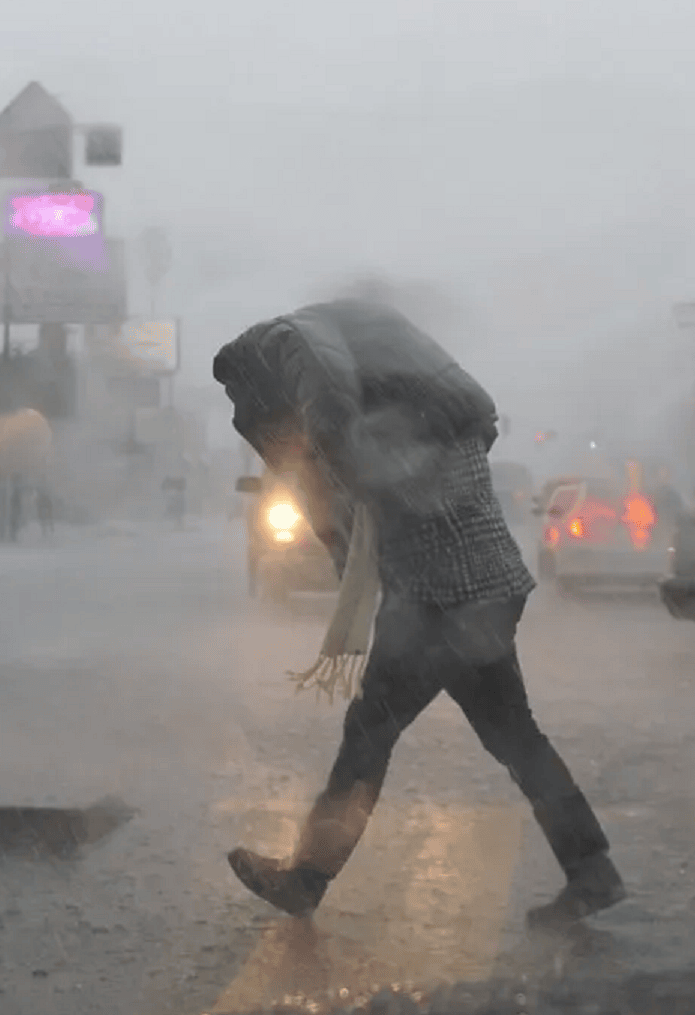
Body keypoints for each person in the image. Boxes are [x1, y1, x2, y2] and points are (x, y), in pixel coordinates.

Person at [212, 298, 624, 929]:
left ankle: (306, 879)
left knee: (368, 737)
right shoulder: (429, 404)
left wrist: (335, 496)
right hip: (490, 585)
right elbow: (477, 423)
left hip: (438, 599)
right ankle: (592, 869)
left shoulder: (288, 346)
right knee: (516, 738)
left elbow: (328, 418)